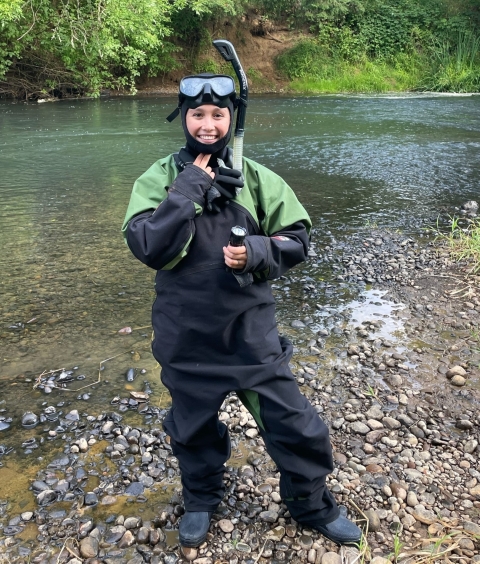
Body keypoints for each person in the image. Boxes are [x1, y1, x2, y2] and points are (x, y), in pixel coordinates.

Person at [122, 73, 362, 548]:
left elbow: (297, 239)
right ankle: (201, 499)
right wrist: (188, 190)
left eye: (218, 114)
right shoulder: (159, 177)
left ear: (232, 118)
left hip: (252, 336)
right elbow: (146, 244)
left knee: (298, 425)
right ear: (183, 118)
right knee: (191, 431)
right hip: (185, 337)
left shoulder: (256, 178)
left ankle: (310, 504)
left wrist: (256, 252)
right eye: (197, 114)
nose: (207, 124)